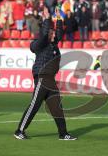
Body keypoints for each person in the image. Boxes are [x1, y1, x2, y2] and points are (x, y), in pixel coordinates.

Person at [14, 7, 77, 140]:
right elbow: (44, 34)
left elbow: (59, 33)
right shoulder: (41, 44)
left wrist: (59, 18)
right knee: (34, 105)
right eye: (51, 33)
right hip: (42, 78)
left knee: (57, 108)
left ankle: (63, 133)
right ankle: (19, 130)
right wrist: (47, 19)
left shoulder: (53, 45)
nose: (54, 35)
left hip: (51, 81)